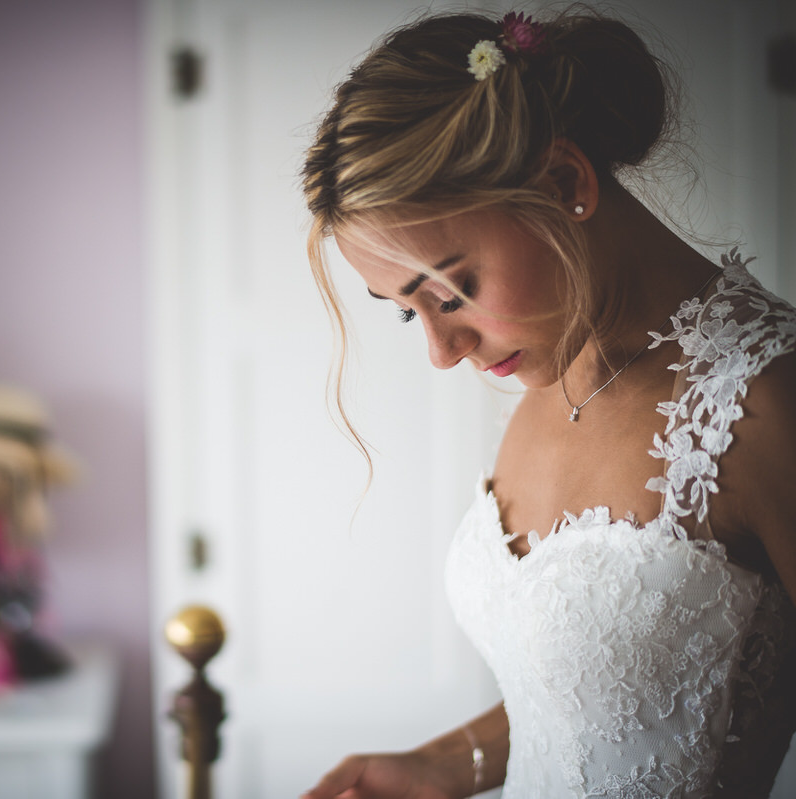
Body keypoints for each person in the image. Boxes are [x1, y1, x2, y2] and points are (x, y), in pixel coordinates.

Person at [298, 8, 796, 799]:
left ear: (565, 183)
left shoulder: (768, 406)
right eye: (404, 308)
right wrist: (440, 765)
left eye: (452, 290)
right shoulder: (554, 366)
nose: (441, 350)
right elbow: (594, 695)